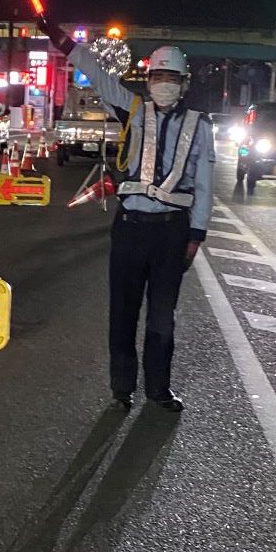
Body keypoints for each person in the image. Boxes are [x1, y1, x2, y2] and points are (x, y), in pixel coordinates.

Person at [53, 29, 215, 411]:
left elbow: (205, 186)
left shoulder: (199, 126)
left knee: (162, 318)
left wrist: (196, 235)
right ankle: (121, 389)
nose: (164, 85)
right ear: (148, 81)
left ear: (184, 84)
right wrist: (61, 41)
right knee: (122, 312)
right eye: (158, 78)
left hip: (171, 233)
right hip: (129, 229)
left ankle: (158, 390)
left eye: (171, 79)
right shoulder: (133, 109)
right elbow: (96, 72)